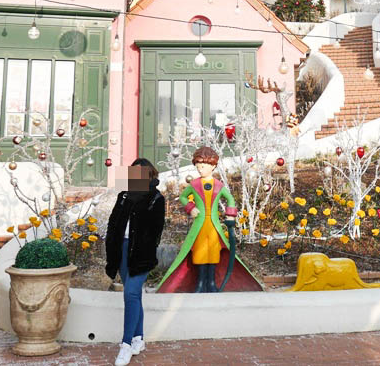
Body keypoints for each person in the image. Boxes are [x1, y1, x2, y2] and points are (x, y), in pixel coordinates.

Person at [157, 146, 264, 293]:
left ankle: (212, 283)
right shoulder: (194, 185)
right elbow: (182, 196)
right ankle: (200, 284)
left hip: (213, 226)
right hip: (200, 225)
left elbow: (230, 199)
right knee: (199, 254)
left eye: (204, 166)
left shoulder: (218, 185)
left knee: (214, 253)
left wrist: (229, 216)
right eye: (198, 166)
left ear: (213, 166)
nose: (200, 169)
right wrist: (191, 207)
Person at [105, 158, 165, 366]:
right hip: (121, 249)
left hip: (141, 253)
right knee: (134, 295)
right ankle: (138, 338)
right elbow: (113, 222)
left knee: (130, 292)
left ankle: (126, 345)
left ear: (149, 175)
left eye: (141, 174)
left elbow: (155, 230)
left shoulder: (156, 198)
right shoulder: (123, 195)